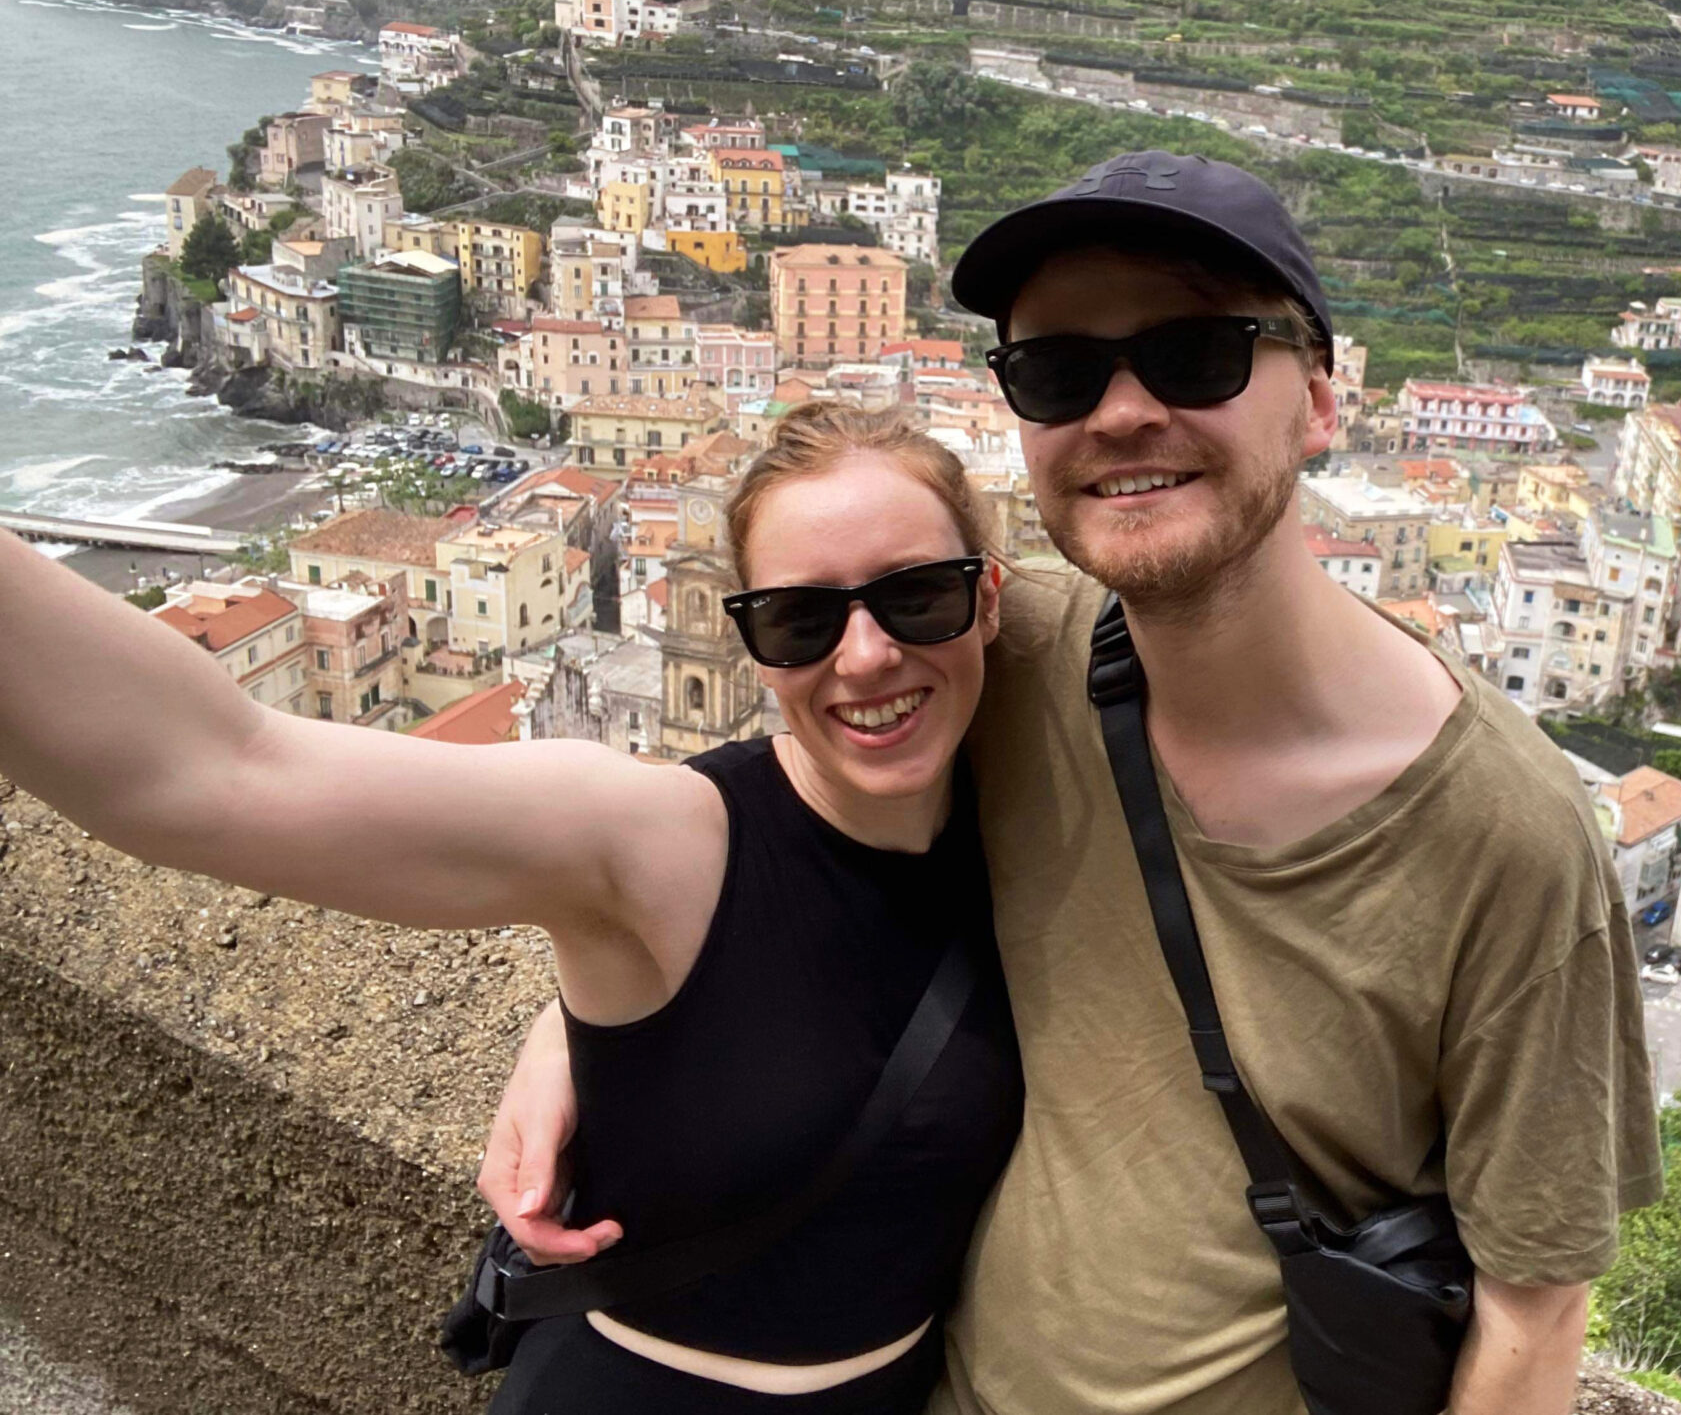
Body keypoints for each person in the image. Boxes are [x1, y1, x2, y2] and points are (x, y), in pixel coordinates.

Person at [484, 151, 1662, 1415]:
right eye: (1058, 371)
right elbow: (786, 797)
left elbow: (1532, 1324)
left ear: (1321, 399)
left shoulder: (1508, 837)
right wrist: (591, 1026)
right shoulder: (994, 643)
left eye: (1195, 354)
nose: (1118, 412)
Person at [0, 407, 1024, 1415]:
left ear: (989, 597)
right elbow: (211, 769)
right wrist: (589, 1018)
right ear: (752, 643)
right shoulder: (660, 838)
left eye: (918, 595)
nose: (865, 655)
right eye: (800, 619)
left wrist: (563, 1035)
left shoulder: (1038, 814)